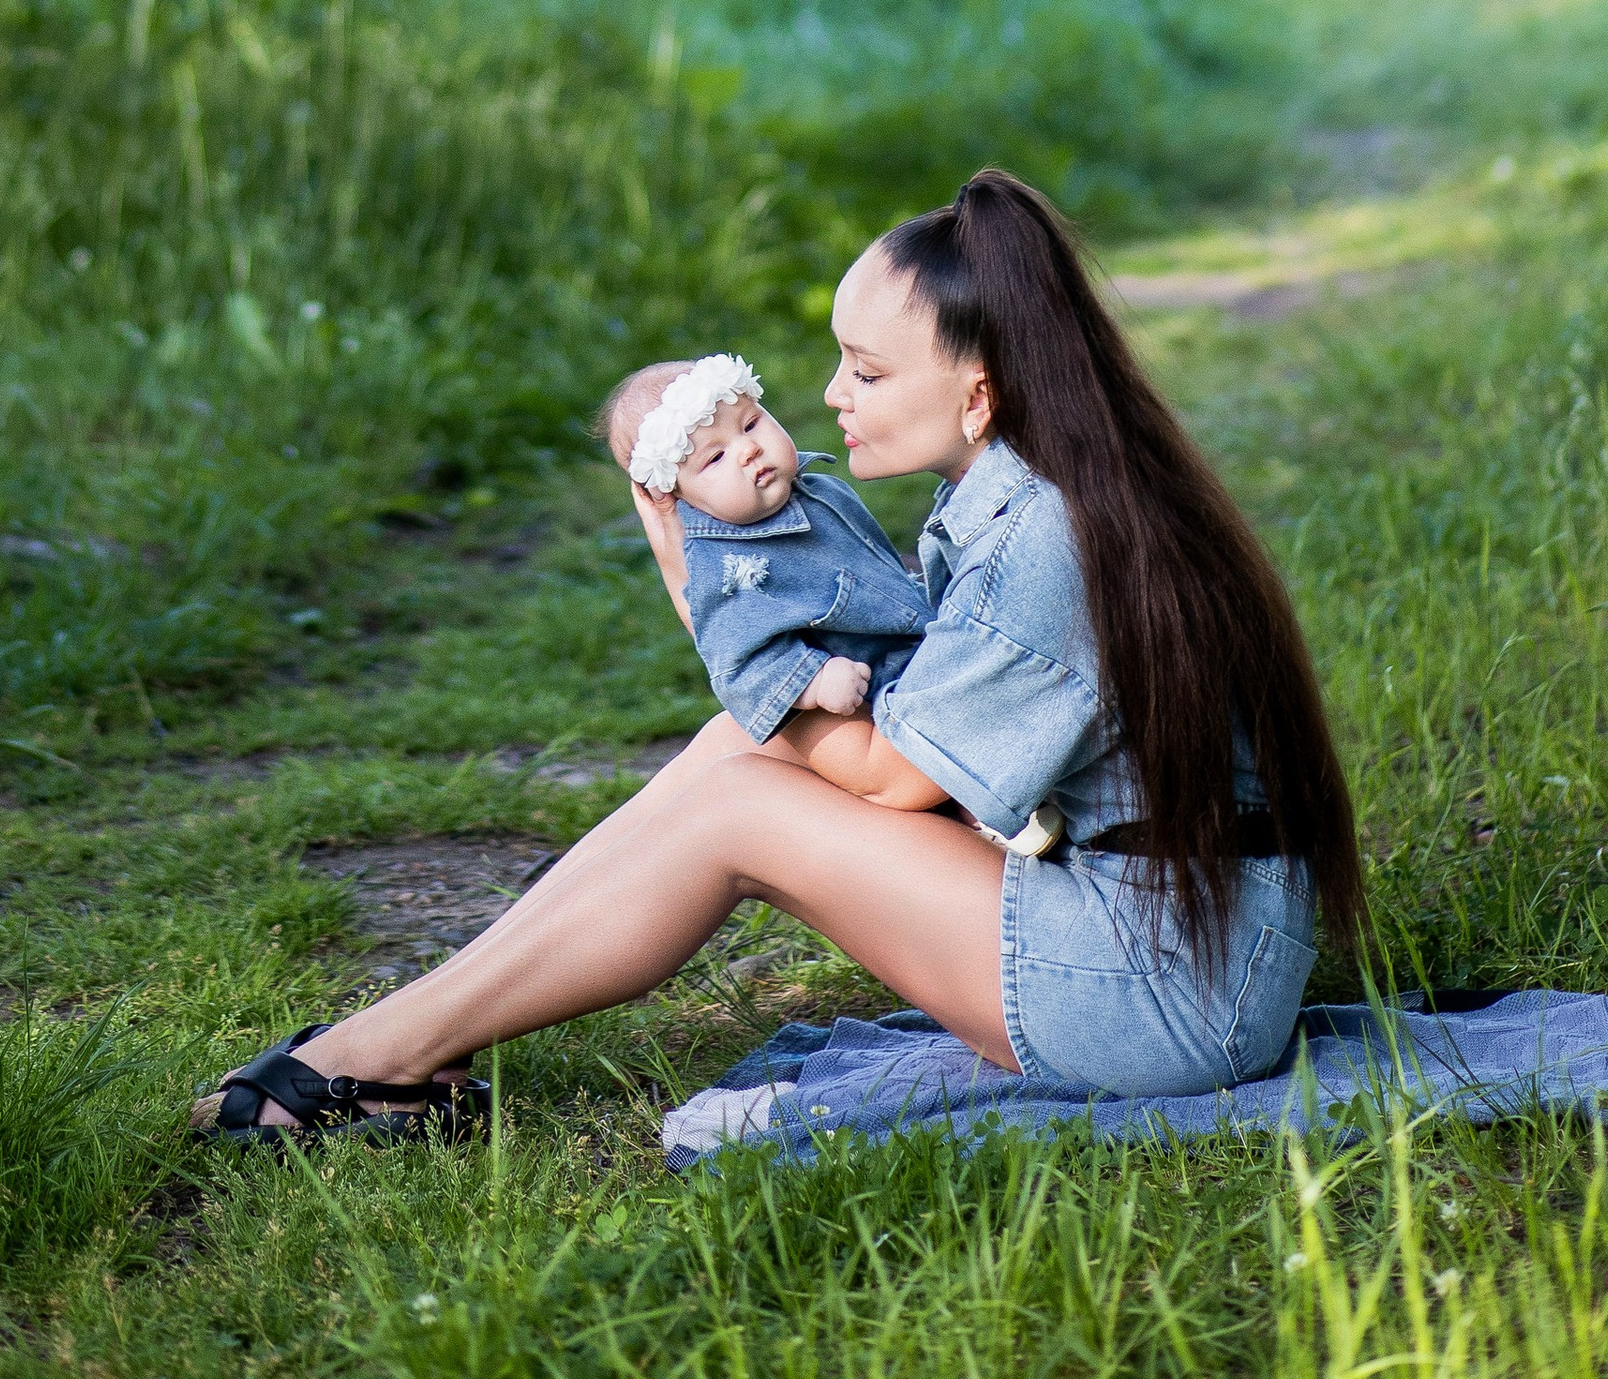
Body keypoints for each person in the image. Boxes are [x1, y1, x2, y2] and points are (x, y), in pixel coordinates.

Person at [193, 168, 1364, 1142]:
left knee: (738, 809)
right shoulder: (1026, 496)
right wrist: (731, 637)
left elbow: (900, 780)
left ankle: (370, 1061)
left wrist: (698, 590)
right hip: (1162, 929)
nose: (828, 396)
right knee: (734, 751)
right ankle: (402, 1042)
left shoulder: (1044, 539)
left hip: (1164, 995)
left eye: (866, 369)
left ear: (979, 393)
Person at [598, 348, 929, 734]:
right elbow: (739, 659)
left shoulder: (820, 490)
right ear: (675, 494)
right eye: (716, 457)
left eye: (751, 424)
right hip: (877, 695)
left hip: (915, 650)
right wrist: (814, 681)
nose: (748, 449)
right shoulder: (728, 566)